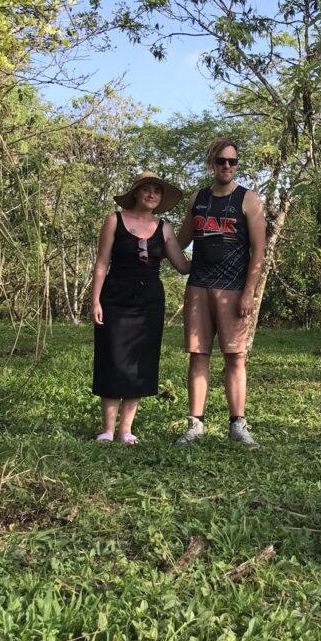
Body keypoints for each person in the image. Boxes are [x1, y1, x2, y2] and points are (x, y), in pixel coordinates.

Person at [175, 138, 266, 448]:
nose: (227, 166)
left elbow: (258, 249)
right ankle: (195, 424)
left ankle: (238, 424)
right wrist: (151, 230)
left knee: (235, 356)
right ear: (211, 163)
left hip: (233, 289)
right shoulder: (197, 199)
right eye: (221, 161)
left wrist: (248, 292)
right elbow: (181, 241)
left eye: (233, 161)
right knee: (198, 355)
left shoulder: (248, 200)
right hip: (199, 286)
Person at [90, 171, 191, 444]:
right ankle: (108, 430)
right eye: (146, 189)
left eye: (156, 192)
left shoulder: (164, 228)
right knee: (112, 358)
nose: (151, 195)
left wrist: (213, 252)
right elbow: (101, 263)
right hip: (115, 295)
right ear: (135, 192)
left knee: (139, 361)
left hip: (149, 301)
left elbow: (182, 265)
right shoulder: (114, 220)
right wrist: (95, 300)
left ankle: (126, 429)